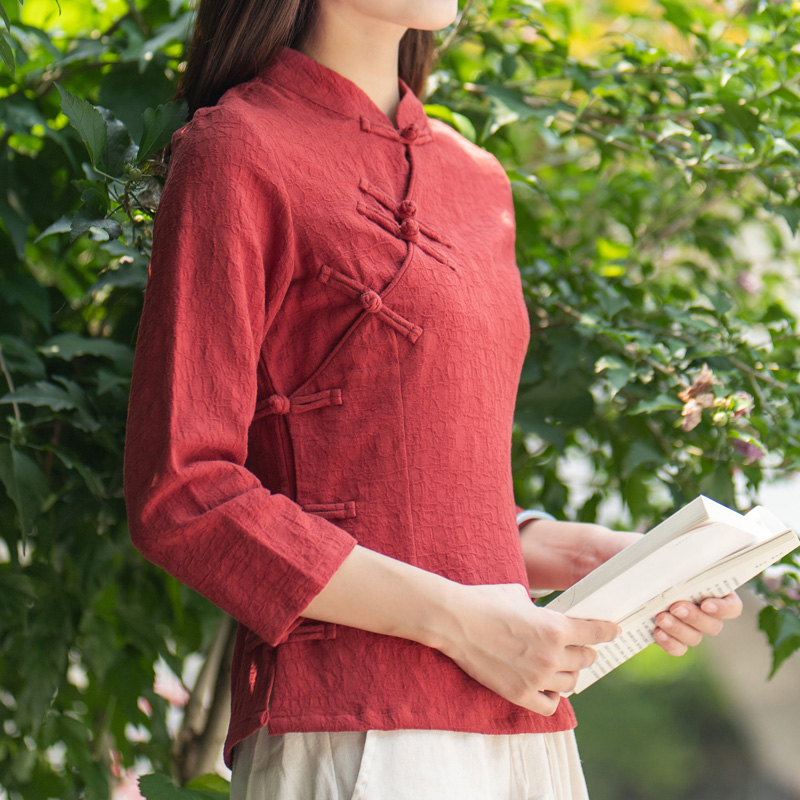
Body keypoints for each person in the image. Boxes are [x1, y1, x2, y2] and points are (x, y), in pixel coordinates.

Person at [122, 1, 743, 797]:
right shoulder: (237, 150)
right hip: (357, 730)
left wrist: (591, 560)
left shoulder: (476, 179)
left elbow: (402, 476)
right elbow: (184, 495)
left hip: (522, 729)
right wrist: (463, 623)